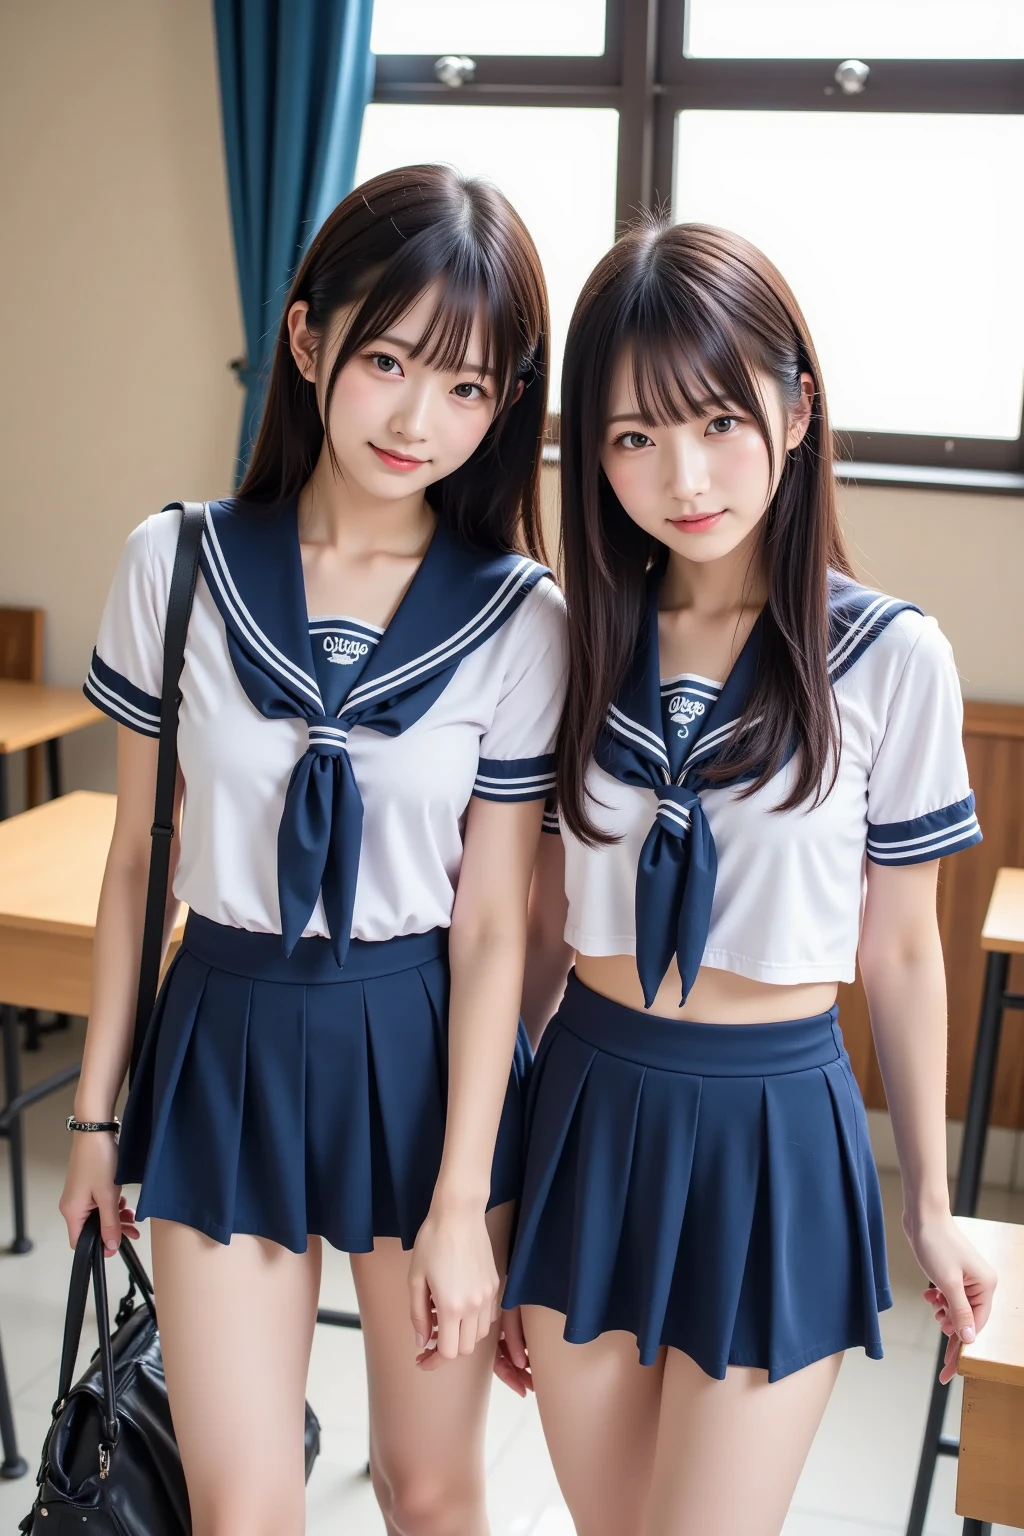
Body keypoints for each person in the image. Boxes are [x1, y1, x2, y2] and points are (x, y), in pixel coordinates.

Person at [60, 164, 566, 1536]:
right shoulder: (173, 566)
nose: (420, 417)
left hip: (423, 1050)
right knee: (241, 1510)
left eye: (469, 385)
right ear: (306, 341)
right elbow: (131, 869)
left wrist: (465, 1199)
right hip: (223, 1040)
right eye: (389, 359)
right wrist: (97, 1113)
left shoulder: (521, 619)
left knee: (434, 1490)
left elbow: (493, 926)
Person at [499, 219, 997, 1536]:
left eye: (719, 420)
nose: (685, 474)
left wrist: (931, 1206)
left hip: (774, 1135)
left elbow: (902, 951)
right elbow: (540, 929)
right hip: (586, 1119)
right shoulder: (570, 640)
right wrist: (490, 1184)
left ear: (798, 404)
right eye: (632, 437)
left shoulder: (889, 657)